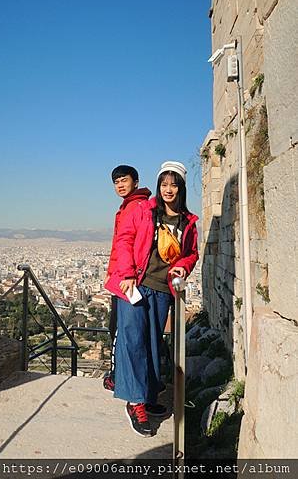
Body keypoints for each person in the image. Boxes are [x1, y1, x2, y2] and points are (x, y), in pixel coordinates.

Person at [105, 161, 199, 436]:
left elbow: (191, 252)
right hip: (136, 283)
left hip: (161, 288)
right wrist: (126, 273)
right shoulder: (144, 210)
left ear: (181, 188)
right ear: (158, 186)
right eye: (164, 184)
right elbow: (125, 240)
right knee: (132, 339)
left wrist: (184, 265)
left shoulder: (188, 221)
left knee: (152, 343)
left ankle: (145, 395)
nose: (168, 190)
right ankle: (135, 403)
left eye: (173, 185)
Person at [103, 165, 151, 392]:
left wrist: (127, 274)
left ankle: (118, 377)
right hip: (123, 276)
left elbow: (127, 243)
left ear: (136, 181)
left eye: (124, 180)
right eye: (116, 182)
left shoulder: (134, 206)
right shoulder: (134, 205)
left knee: (120, 331)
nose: (120, 185)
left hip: (127, 279)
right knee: (124, 330)